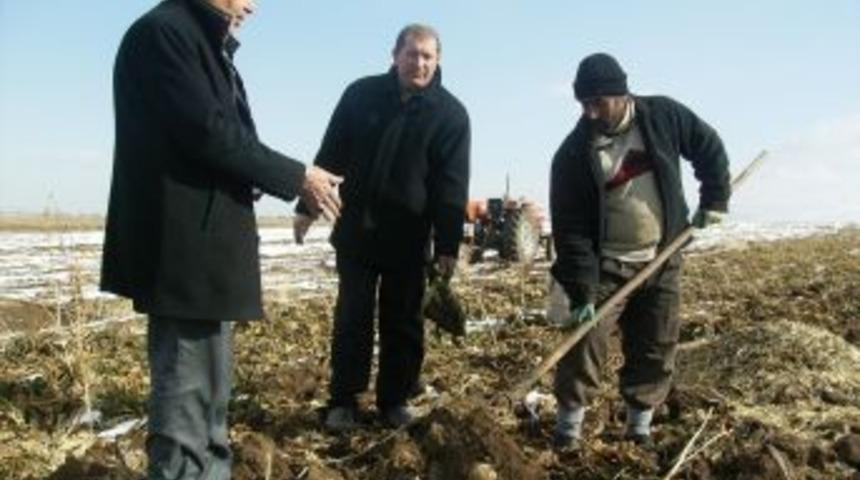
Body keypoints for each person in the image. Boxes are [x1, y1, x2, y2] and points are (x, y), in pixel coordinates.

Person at [101, 0, 342, 477]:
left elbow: (223, 135)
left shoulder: (202, 42)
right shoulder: (164, 34)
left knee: (210, 401)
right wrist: (297, 178)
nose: (253, 5)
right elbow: (208, 132)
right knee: (186, 405)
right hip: (183, 247)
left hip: (205, 248)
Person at [293, 23, 470, 431]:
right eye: (412, 54)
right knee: (352, 316)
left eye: (428, 56)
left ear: (438, 60)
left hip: (409, 239)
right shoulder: (361, 95)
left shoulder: (450, 115)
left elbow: (452, 186)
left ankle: (395, 400)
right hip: (356, 230)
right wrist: (307, 207)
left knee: (403, 321)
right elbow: (330, 153)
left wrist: (447, 246)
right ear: (395, 55)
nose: (419, 63)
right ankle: (344, 400)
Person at [549, 53, 730, 449]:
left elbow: (708, 147)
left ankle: (639, 426)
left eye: (599, 102)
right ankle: (567, 430)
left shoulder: (662, 116)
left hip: (661, 256)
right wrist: (582, 290)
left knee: (655, 341)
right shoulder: (572, 155)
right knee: (584, 342)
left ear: (621, 92)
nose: (591, 112)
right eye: (584, 104)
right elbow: (571, 231)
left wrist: (714, 198)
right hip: (606, 264)